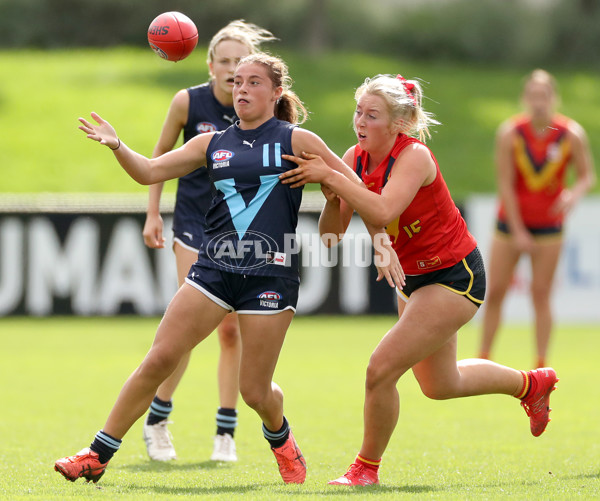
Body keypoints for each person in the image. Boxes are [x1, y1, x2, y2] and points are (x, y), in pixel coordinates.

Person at [54, 53, 401, 486]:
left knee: (254, 391)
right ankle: (98, 453)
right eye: (237, 82)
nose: (241, 90)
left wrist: (378, 237)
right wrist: (118, 146)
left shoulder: (298, 141)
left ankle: (281, 438)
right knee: (160, 357)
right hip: (212, 271)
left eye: (254, 82)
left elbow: (357, 186)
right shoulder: (210, 143)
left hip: (270, 277)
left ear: (276, 93)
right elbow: (148, 172)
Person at [278, 74, 559, 486]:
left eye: (372, 115)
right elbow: (330, 237)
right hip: (412, 280)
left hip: (453, 276)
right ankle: (531, 385)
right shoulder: (353, 158)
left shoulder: (415, 156)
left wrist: (337, 180)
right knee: (441, 385)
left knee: (380, 369)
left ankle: (365, 469)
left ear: (399, 123)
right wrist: (332, 192)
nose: (360, 120)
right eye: (359, 111)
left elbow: (384, 205)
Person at [141, 19, 276, 464]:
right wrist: (152, 213)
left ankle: (225, 431)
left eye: (241, 62)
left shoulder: (262, 108)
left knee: (232, 330)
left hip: (241, 232)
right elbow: (158, 159)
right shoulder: (188, 101)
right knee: (186, 331)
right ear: (210, 63)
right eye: (224, 61)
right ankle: (158, 420)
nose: (232, 69)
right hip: (195, 224)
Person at [478, 69, 595, 368]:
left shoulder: (571, 134)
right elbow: (505, 183)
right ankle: (484, 358)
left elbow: (587, 176)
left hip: (549, 227)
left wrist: (573, 193)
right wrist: (518, 231)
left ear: (554, 98)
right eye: (533, 95)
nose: (539, 102)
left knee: (541, 294)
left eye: (544, 95)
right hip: (509, 226)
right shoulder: (511, 133)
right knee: (496, 292)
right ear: (525, 99)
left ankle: (541, 363)